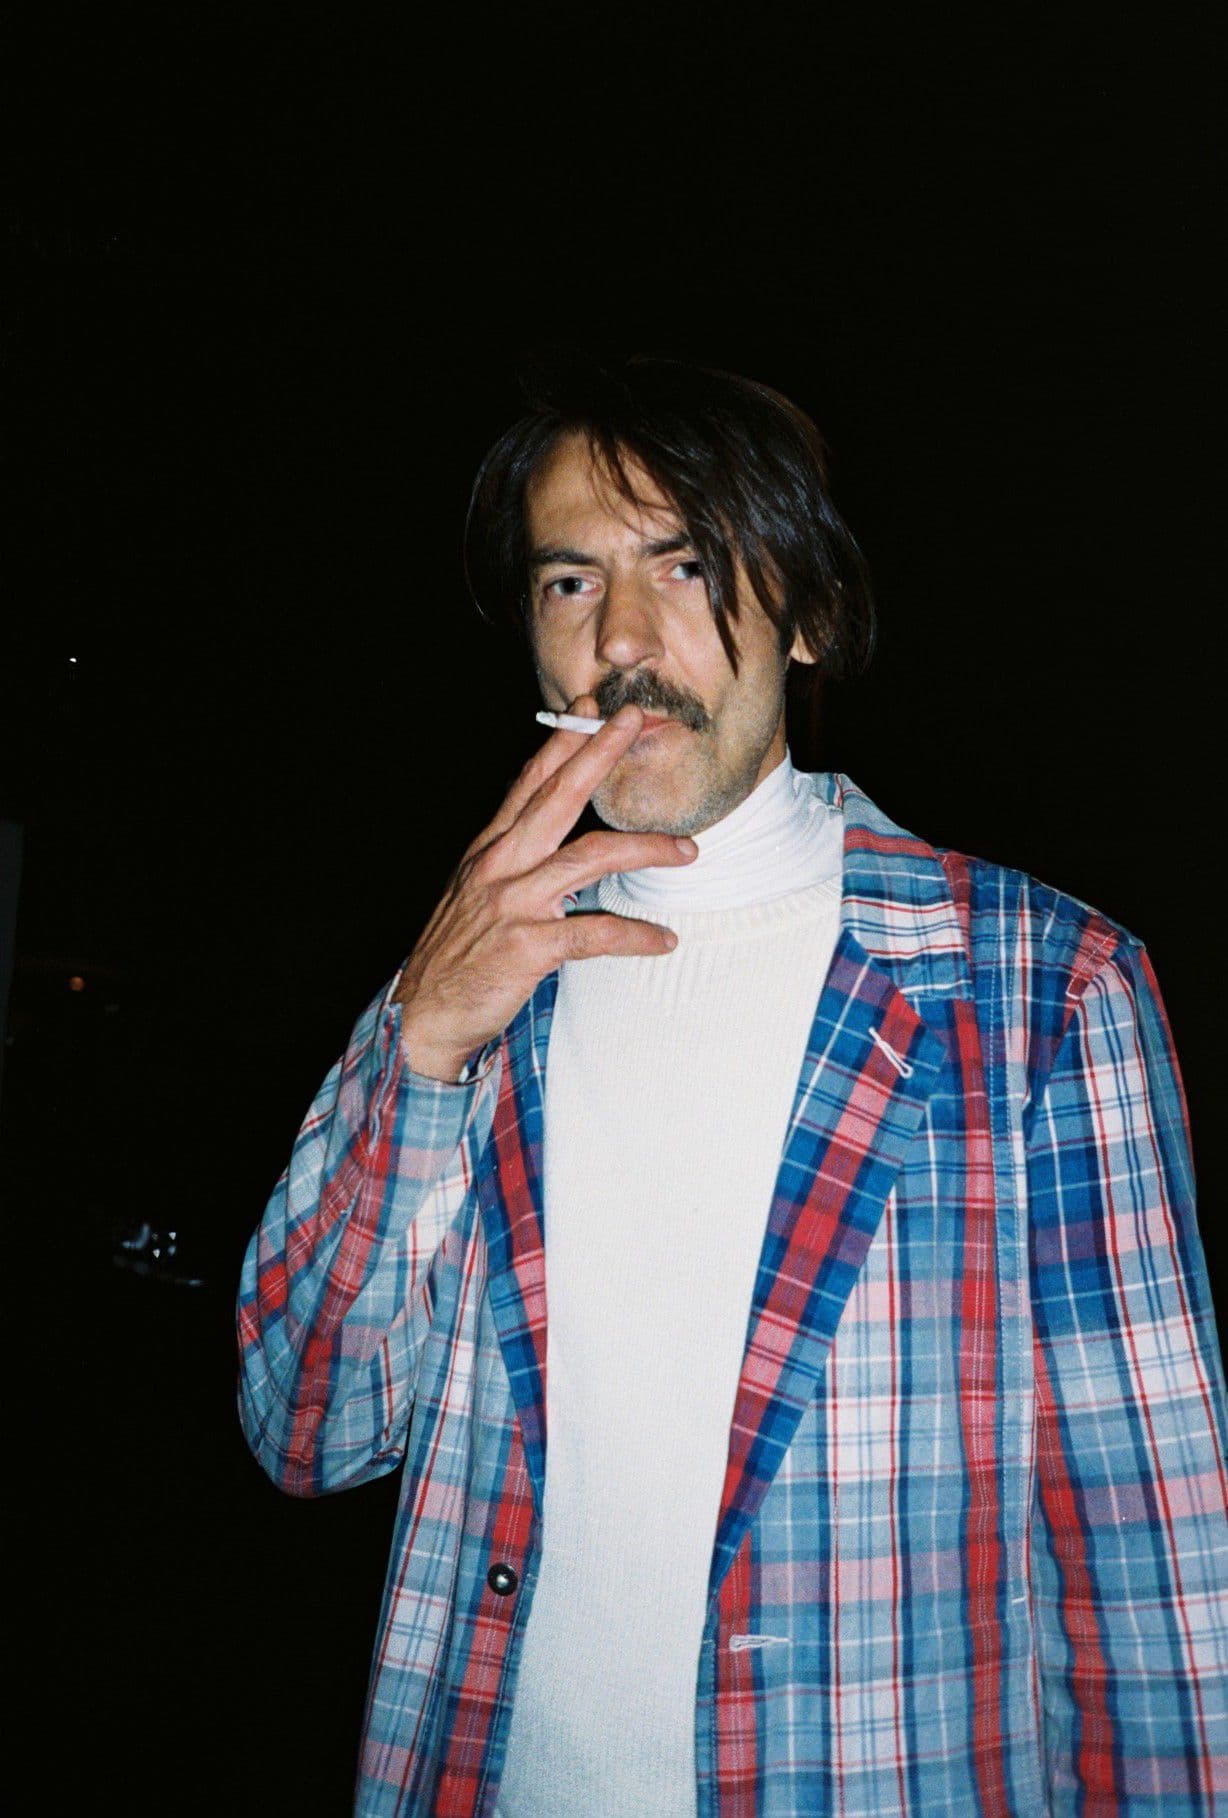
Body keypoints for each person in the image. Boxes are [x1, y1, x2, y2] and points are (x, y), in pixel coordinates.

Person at [237, 355, 1228, 1817]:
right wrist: (423, 1037)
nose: (621, 640)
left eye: (687, 565)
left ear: (809, 615)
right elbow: (308, 1428)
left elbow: (1153, 1574)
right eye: (569, 581)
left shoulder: (1040, 989)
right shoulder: (477, 983)